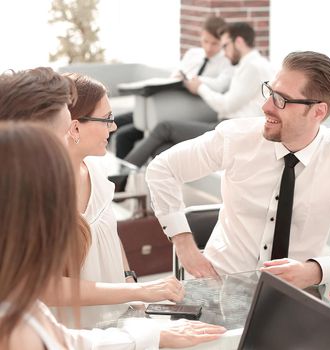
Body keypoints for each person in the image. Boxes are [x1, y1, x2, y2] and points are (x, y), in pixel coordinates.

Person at [146, 51, 330, 288]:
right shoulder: (236, 137)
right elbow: (162, 169)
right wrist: (183, 243)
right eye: (270, 92)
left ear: (318, 112)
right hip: (219, 283)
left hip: (294, 294)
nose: (266, 106)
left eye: (281, 99)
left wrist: (313, 271)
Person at [0, 122, 226, 349]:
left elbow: (66, 340)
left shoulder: (23, 305)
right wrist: (143, 310)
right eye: (61, 132)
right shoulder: (17, 320)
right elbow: (62, 335)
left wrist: (136, 301)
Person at [0, 67, 184, 328]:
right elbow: (44, 286)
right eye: (107, 118)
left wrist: (131, 285)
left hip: (112, 320)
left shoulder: (96, 172)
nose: (115, 125)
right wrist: (139, 292)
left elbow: (109, 233)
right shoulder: (28, 197)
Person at [125, 21, 274, 168]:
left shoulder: (252, 67)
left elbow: (227, 106)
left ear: (239, 42)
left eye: (225, 46)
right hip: (230, 128)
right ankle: (124, 183)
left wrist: (200, 87)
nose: (224, 53)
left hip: (232, 132)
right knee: (162, 149)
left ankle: (118, 179)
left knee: (165, 128)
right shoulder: (253, 65)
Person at [114, 15, 233, 159]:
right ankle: (96, 172)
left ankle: (120, 180)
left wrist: (196, 81)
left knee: (124, 135)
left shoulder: (227, 62)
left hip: (187, 114)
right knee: (113, 122)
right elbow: (175, 76)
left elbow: (220, 86)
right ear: (201, 36)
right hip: (164, 106)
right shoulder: (193, 54)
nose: (208, 47)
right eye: (205, 41)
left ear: (223, 42)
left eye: (214, 43)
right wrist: (177, 78)